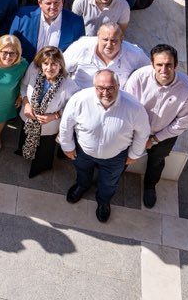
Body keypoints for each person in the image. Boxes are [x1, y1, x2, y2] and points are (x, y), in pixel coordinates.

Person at [59, 69, 149, 223]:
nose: (105, 93)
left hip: (115, 157)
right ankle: (82, 186)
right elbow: (66, 124)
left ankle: (103, 201)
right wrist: (67, 146)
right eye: (100, 88)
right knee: (82, 171)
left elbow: (143, 133)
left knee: (109, 183)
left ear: (118, 86)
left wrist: (134, 154)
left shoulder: (134, 107)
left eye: (110, 88)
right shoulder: (80, 99)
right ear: (94, 86)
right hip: (83, 151)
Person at [122, 44, 188, 208]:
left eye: (168, 65)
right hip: (135, 129)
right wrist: (139, 135)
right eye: (159, 64)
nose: (164, 69)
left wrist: (155, 139)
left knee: (156, 162)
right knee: (123, 156)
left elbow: (182, 123)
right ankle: (113, 178)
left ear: (175, 65)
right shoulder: (139, 78)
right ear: (152, 64)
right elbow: (128, 106)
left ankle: (150, 186)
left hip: (164, 134)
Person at [18, 46, 79, 178]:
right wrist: (26, 103)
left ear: (60, 65)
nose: (49, 68)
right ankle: (24, 153)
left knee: (44, 149)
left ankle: (40, 167)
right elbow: (23, 86)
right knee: (25, 137)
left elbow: (74, 109)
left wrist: (55, 116)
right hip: (28, 118)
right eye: (46, 63)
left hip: (49, 126)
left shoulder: (69, 85)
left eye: (54, 64)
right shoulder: (33, 70)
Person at [62, 22, 149, 90]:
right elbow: (59, 70)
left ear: (121, 39)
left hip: (115, 103)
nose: (109, 45)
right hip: (79, 100)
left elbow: (151, 72)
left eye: (113, 40)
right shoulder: (80, 47)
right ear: (98, 37)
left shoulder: (134, 53)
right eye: (105, 40)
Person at [9, 0, 85, 62]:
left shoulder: (76, 22)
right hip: (26, 67)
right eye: (48, 3)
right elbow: (10, 43)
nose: (52, 7)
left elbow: (79, 52)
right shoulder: (23, 17)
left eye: (56, 2)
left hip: (58, 71)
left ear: (62, 1)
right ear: (40, 3)